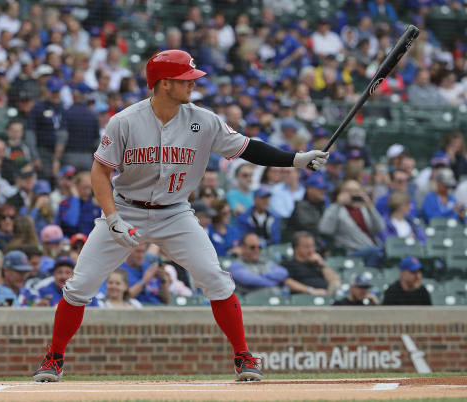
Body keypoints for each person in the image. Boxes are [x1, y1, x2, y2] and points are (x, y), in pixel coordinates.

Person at [32, 49, 328, 383]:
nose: (192, 85)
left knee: (216, 279)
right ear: (163, 84)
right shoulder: (125, 121)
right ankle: (54, 357)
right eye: (185, 80)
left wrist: (296, 160)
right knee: (80, 284)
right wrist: (112, 217)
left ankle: (243, 356)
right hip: (127, 208)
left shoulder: (204, 120)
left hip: (176, 213)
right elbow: (100, 173)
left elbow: (248, 148)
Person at [318, 179, 385, 267]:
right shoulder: (336, 209)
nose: (353, 194)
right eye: (349, 191)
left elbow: (380, 228)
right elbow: (324, 229)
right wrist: (337, 204)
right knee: (377, 252)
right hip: (351, 253)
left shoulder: (364, 209)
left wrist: (370, 207)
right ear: (341, 193)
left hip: (371, 249)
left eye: (357, 191)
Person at [33, 258, 99, 307]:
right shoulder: (42, 291)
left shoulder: (86, 293)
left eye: (67, 272)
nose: (63, 276)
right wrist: (39, 308)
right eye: (59, 272)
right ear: (54, 274)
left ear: (74, 275)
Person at [56, 171, 102, 237]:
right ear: (76, 186)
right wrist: (75, 198)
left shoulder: (95, 205)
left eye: (89, 188)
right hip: (72, 242)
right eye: (85, 188)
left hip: (90, 242)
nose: (88, 191)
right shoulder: (65, 204)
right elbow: (72, 222)